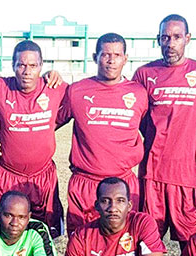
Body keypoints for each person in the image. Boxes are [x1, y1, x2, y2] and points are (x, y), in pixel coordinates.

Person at [133, 14, 196, 248]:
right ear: (158, 40)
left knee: (195, 250)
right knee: (146, 250)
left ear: (187, 38)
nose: (170, 43)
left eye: (176, 37)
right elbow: (135, 121)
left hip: (189, 179)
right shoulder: (144, 74)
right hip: (151, 177)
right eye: (165, 37)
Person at [56, 33, 148, 234]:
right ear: (95, 56)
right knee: (80, 246)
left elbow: (155, 131)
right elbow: (47, 124)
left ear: (125, 58)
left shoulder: (139, 93)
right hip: (85, 184)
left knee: (124, 250)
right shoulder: (77, 91)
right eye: (105, 54)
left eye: (116, 55)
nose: (111, 60)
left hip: (123, 184)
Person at [0, 41, 67, 237]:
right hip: (8, 175)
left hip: (43, 176)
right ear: (13, 65)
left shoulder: (55, 87)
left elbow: (70, 110)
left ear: (41, 66)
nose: (27, 71)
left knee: (46, 235)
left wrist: (42, 129)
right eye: (21, 65)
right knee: (5, 234)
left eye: (33, 66)